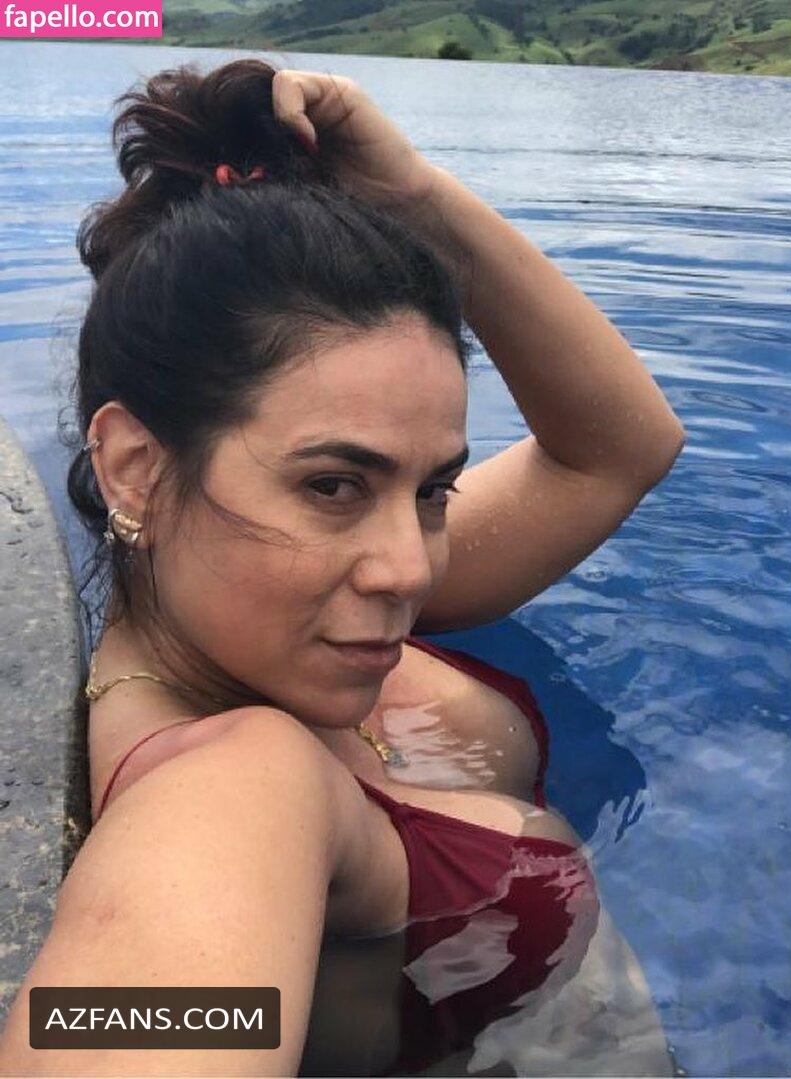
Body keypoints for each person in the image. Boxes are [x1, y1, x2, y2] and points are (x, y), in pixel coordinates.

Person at [0, 58, 685, 1076]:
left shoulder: (289, 611)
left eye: (433, 487)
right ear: (136, 470)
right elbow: (125, 1028)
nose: (409, 568)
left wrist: (413, 198)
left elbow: (615, 450)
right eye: (333, 484)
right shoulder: (230, 789)